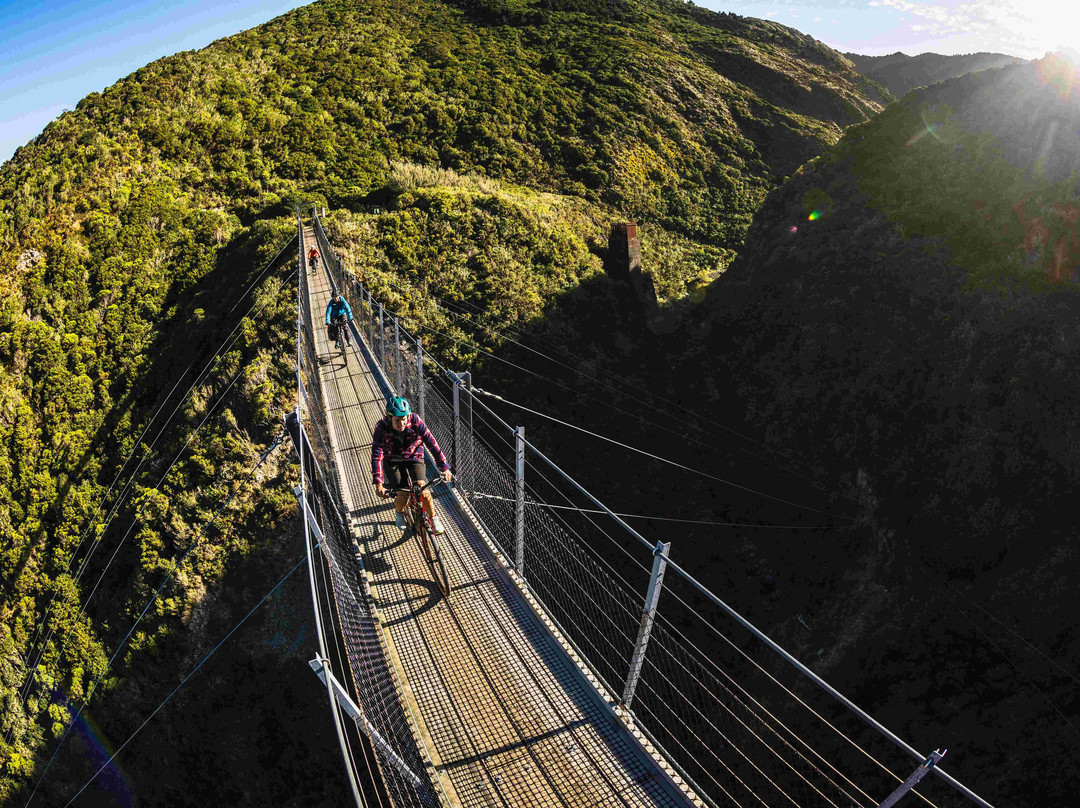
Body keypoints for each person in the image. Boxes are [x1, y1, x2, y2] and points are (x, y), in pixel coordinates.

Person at [371, 396, 452, 533]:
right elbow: (376, 454)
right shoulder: (381, 427)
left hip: (414, 455)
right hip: (392, 459)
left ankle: (433, 517)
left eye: (404, 419)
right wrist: (379, 483)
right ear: (389, 418)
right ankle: (399, 513)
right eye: (397, 420)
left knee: (423, 489)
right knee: (402, 494)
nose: (401, 423)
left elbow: (431, 442)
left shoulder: (415, 421)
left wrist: (443, 467)